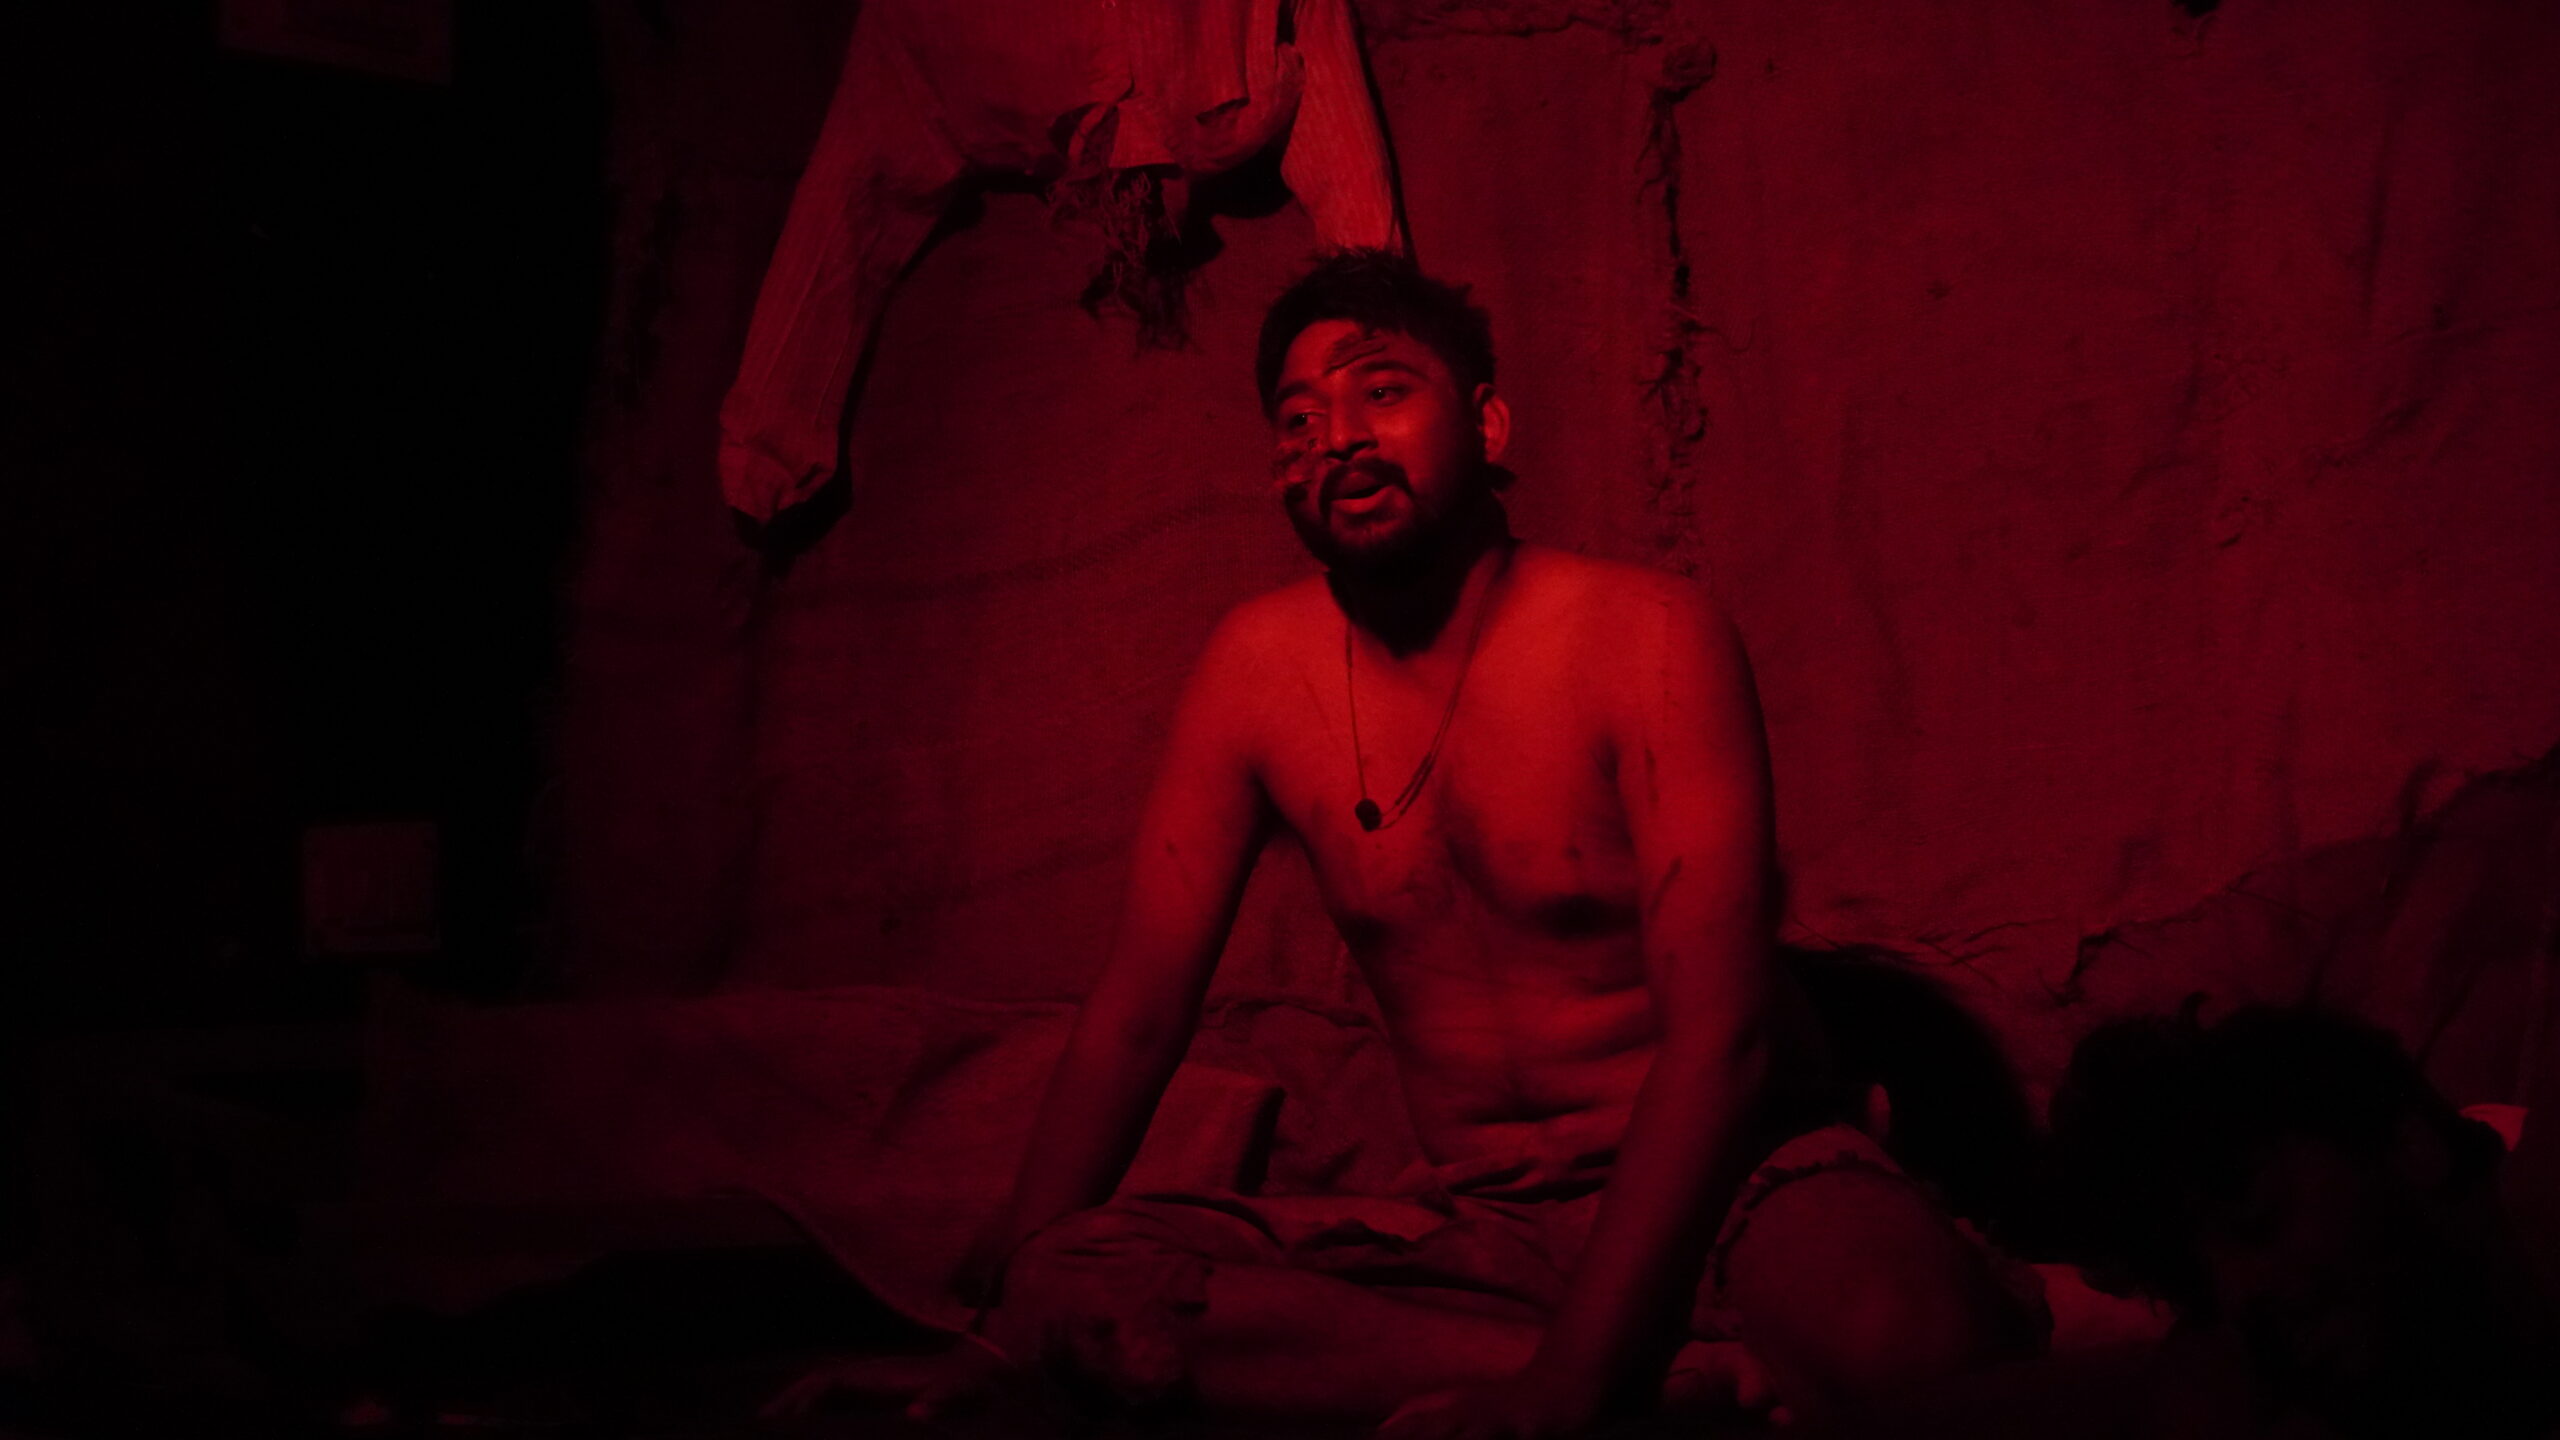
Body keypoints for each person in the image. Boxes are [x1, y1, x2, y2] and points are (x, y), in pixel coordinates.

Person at [773, 250, 2042, 1436]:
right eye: (1297, 418)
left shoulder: (1644, 636)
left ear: (1487, 426)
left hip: (1728, 1177)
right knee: (1075, 1289)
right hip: (1479, 1222)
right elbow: (1140, 1011)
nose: (1336, 437)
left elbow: (1724, 1039)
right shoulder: (1254, 670)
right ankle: (1672, 1388)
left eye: (1380, 391)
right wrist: (996, 1334)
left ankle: (1616, 1371)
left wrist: (1569, 1388)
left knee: (1908, 1343)